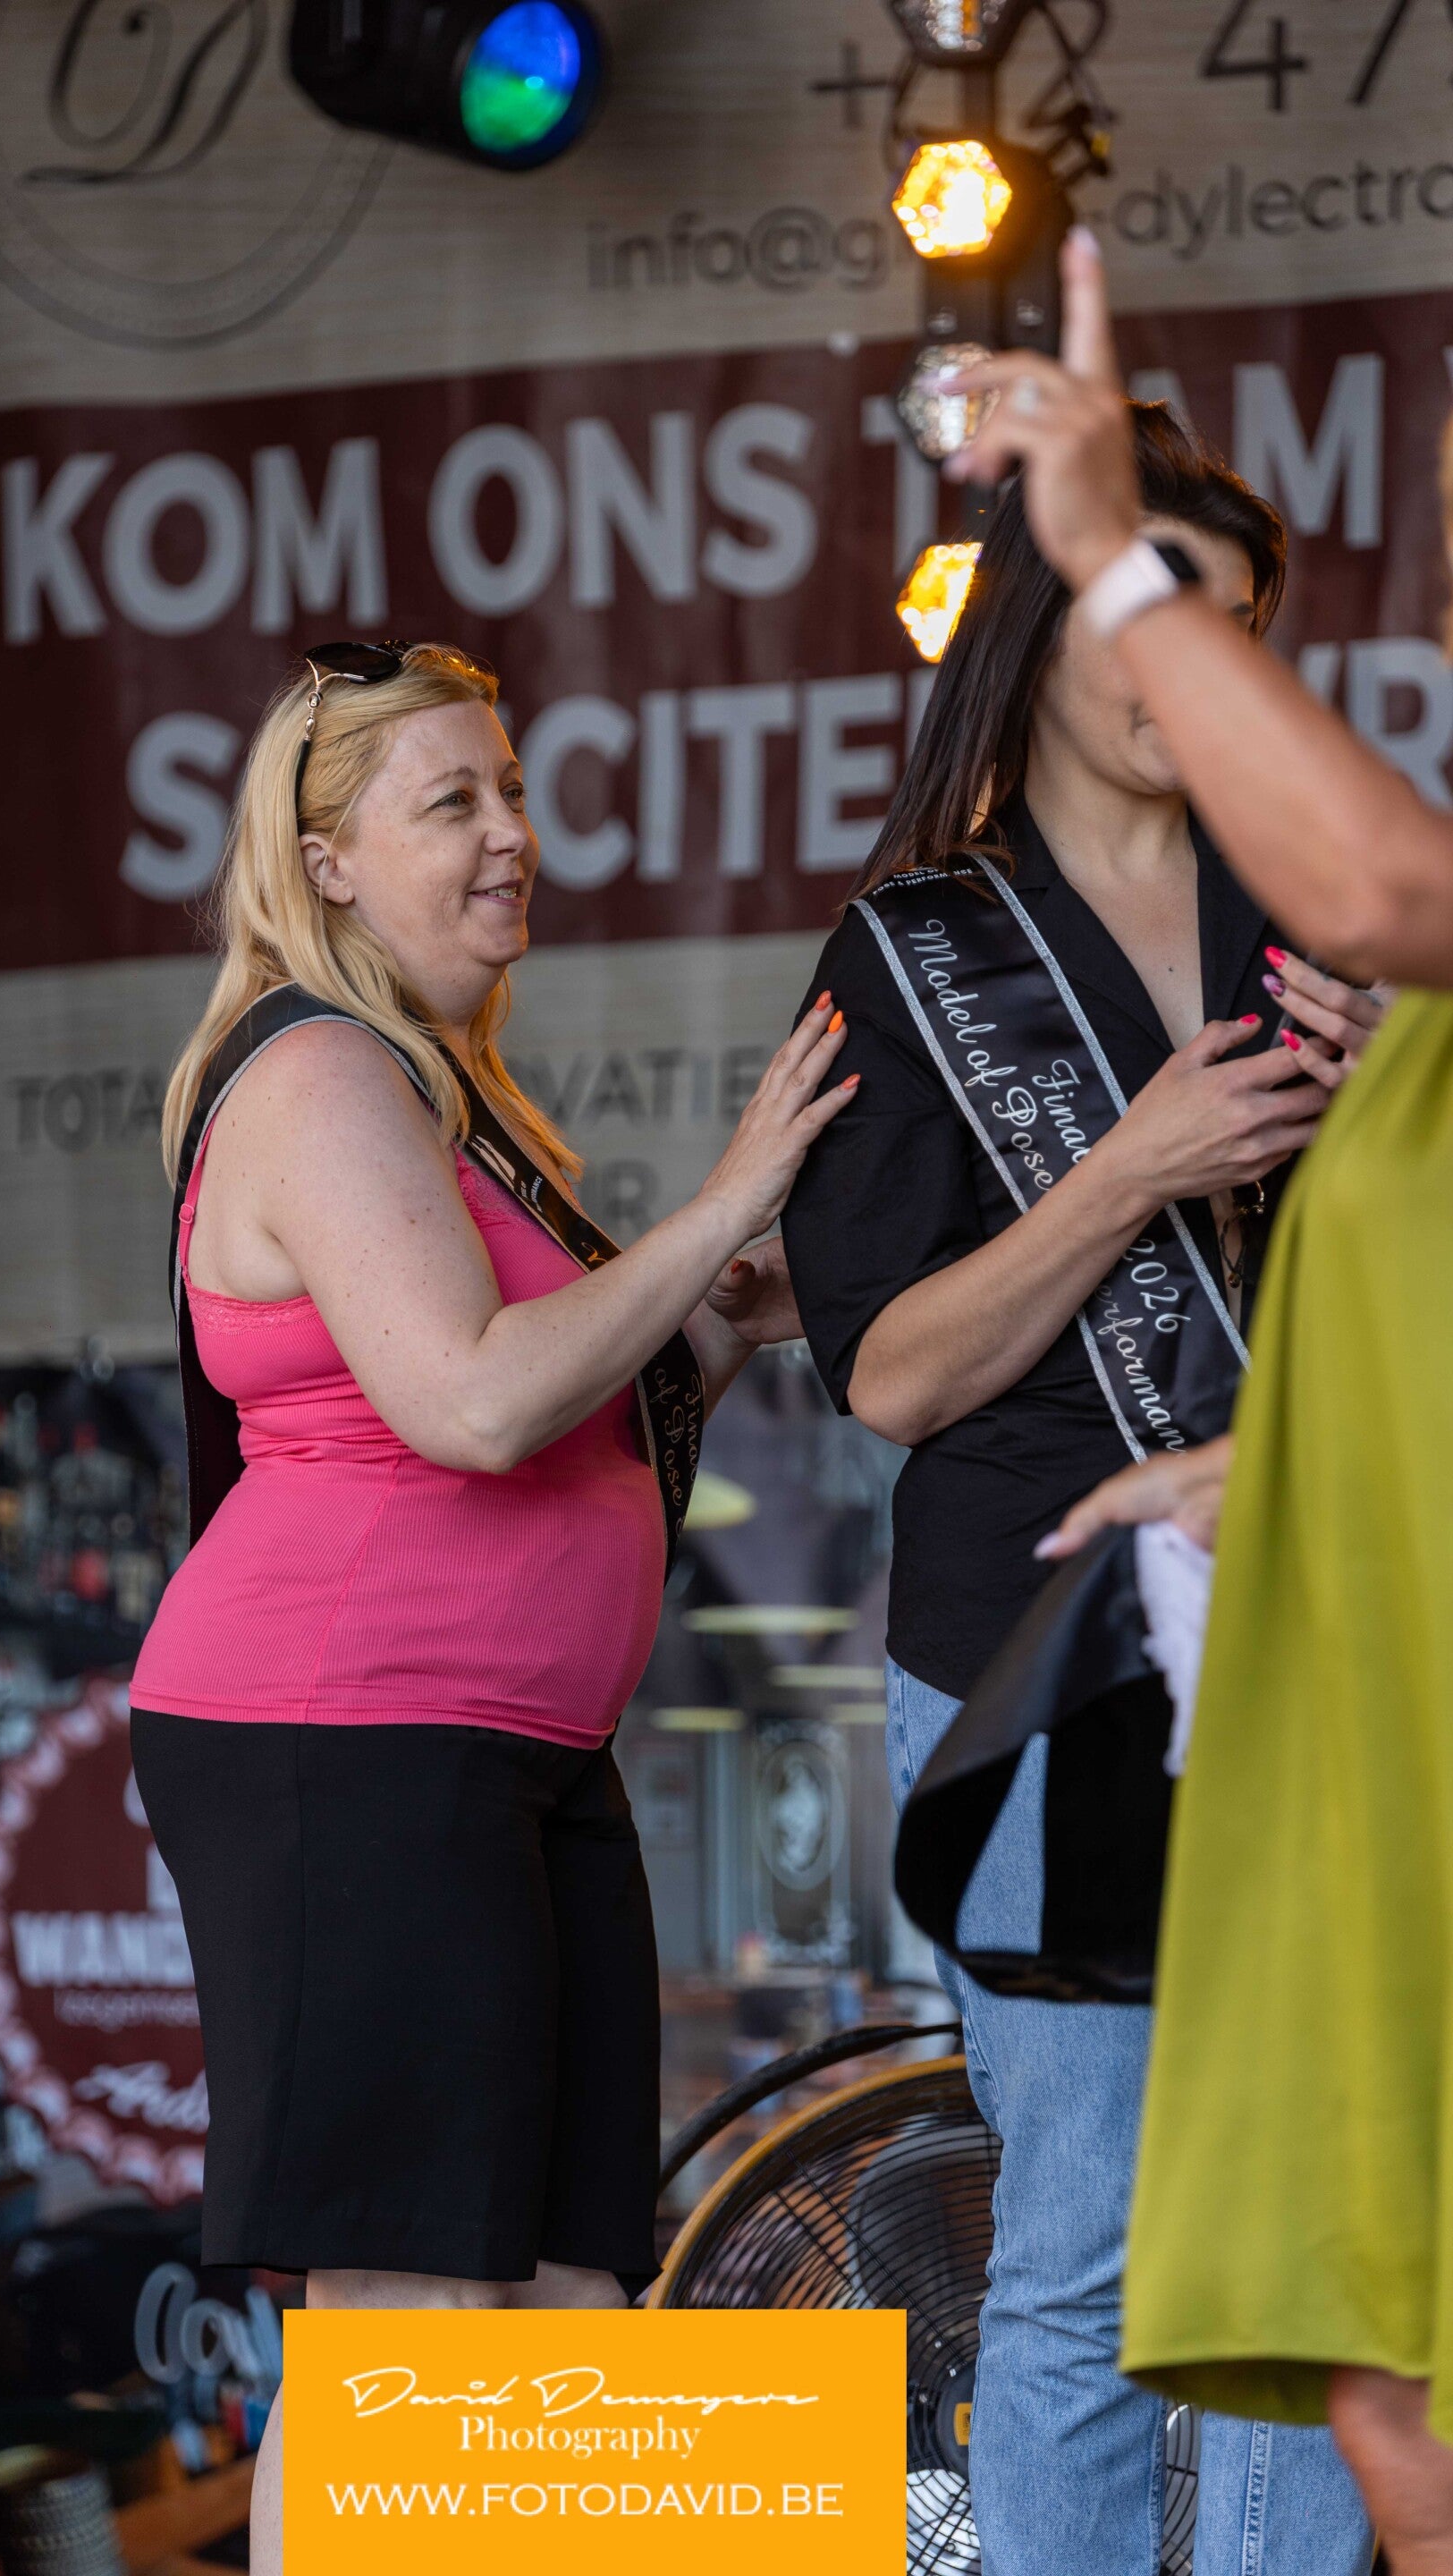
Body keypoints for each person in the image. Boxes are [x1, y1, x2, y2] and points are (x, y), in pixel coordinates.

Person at [127, 640, 856, 2572]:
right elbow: (470, 1400)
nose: (512, 833)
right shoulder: (318, 1071)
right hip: (350, 1738)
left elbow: (584, 1379)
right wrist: (722, 1199)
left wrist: (738, 1301)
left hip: (506, 1754)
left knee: (563, 2312)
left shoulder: (451, 1099)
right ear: (328, 860)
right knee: (414, 2317)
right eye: (452, 801)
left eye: (512, 789)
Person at [781, 411, 1378, 2573]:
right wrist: (1132, 1167)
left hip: (1317, 1626)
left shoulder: (1324, 931)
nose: (1198, 659)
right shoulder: (913, 954)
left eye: (1236, 623)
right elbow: (890, 1373)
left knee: (1322, 2243)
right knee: (1086, 2250)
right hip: (1042, 1660)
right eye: (1155, 606)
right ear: (1042, 629)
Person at [959, 233, 1453, 2576]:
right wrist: (1277, 1467)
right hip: (1353, 1683)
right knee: (1376, 2377)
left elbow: (1372, 876)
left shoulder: (1378, 902)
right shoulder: (935, 949)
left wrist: (1115, 556)